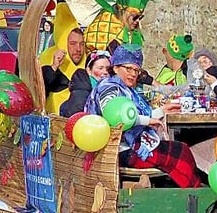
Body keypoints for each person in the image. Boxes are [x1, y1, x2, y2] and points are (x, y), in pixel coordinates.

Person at [84, 45, 201, 188]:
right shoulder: (109, 88)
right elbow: (116, 118)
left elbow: (135, 115)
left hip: (131, 146)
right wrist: (148, 121)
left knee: (182, 149)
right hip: (120, 151)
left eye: (136, 70)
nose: (133, 74)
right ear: (115, 68)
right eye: (128, 69)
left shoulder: (125, 88)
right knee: (179, 154)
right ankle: (192, 194)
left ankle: (187, 190)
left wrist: (163, 109)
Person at [60, 49, 111, 117]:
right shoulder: (81, 90)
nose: (105, 72)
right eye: (100, 68)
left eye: (108, 69)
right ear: (89, 70)